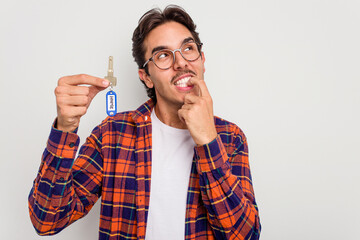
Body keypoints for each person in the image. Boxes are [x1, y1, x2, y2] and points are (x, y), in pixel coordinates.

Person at [28, 5, 261, 240]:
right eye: (163, 55)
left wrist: (208, 140)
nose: (180, 63)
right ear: (146, 77)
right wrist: (65, 129)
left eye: (188, 48)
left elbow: (245, 236)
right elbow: (47, 220)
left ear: (202, 60)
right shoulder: (111, 135)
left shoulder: (230, 137)